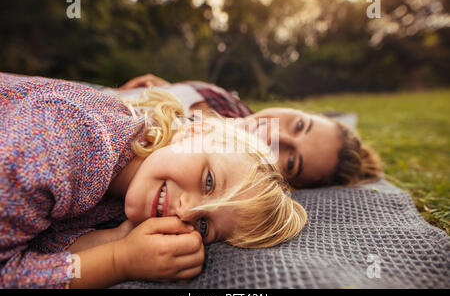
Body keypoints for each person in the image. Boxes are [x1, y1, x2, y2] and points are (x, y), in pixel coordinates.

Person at [0, 73, 306, 288]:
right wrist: (118, 261)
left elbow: (40, 239)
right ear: (197, 132)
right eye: (209, 182)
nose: (187, 212)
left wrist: (118, 237)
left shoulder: (134, 182)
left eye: (203, 226)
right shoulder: (57, 142)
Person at [103, 74, 383, 189]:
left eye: (291, 161)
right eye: (299, 125)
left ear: (284, 184)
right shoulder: (225, 101)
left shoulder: (193, 171)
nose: (277, 137)